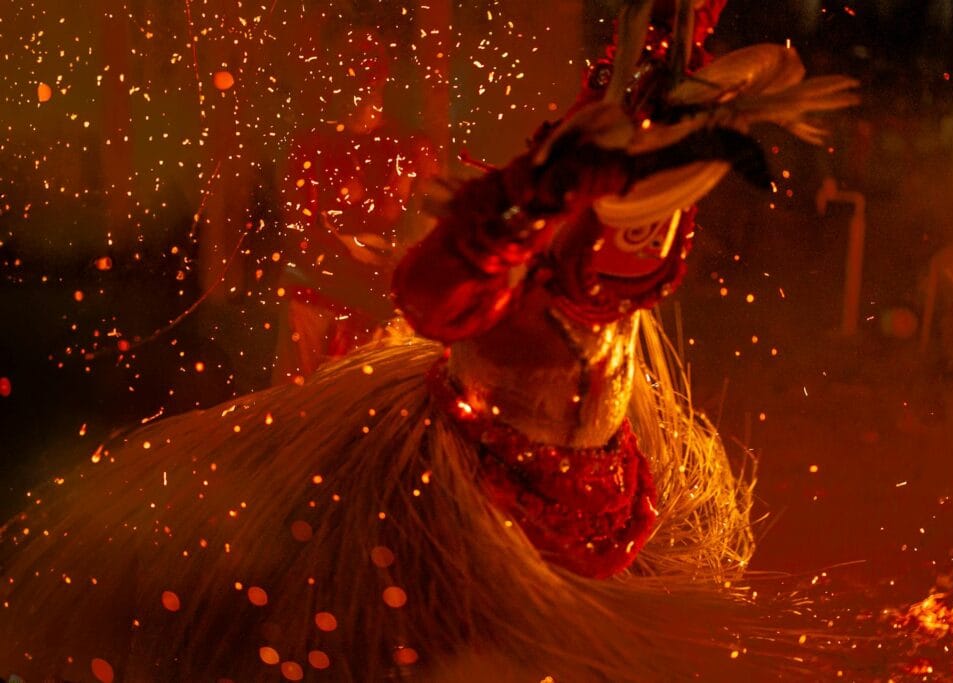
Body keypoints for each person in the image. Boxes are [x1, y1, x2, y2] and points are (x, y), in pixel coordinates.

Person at [0, 1, 859, 680]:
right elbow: (432, 283)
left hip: (590, 460)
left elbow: (636, 88)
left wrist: (684, 33)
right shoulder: (527, 221)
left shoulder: (629, 170)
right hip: (475, 446)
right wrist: (493, 219)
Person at [272, 23, 439, 384]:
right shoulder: (311, 147)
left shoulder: (412, 147)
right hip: (317, 301)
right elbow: (298, 231)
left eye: (371, 56)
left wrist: (402, 260)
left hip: (385, 305)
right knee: (300, 408)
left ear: (388, 66)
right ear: (334, 67)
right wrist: (347, 247)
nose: (363, 67)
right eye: (352, 57)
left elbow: (434, 224)